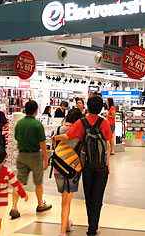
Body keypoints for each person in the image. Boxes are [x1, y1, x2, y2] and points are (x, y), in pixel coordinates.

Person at [54, 96, 113, 236]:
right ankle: (94, 227)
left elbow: (67, 136)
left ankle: (91, 226)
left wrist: (54, 138)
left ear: (87, 107)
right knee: (98, 198)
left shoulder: (81, 123)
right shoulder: (103, 123)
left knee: (89, 197)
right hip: (101, 167)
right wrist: (106, 163)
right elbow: (109, 145)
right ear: (100, 108)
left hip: (86, 166)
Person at [10, 100, 51, 219]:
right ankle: (40, 205)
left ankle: (14, 207)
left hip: (21, 155)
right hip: (34, 155)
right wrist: (45, 158)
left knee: (19, 182)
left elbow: (16, 137)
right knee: (38, 182)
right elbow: (42, 143)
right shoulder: (37, 125)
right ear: (36, 111)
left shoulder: (19, 124)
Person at [51, 108, 83, 236]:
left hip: (58, 169)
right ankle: (62, 231)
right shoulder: (79, 133)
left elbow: (55, 148)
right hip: (72, 169)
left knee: (63, 199)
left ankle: (66, 223)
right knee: (67, 201)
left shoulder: (58, 130)